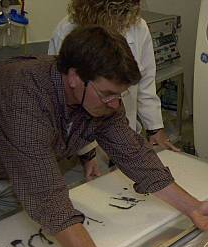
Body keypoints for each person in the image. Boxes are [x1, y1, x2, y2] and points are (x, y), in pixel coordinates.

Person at [0, 26, 208, 247]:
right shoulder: (22, 97)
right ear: (74, 78)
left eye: (120, 95)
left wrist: (193, 208)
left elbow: (135, 155)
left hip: (11, 176)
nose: (115, 104)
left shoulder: (99, 101)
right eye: (107, 94)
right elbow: (48, 198)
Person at [49, 0, 178, 181]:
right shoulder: (66, 30)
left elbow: (146, 82)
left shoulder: (138, 27)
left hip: (125, 132)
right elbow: (62, 100)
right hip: (83, 142)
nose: (120, 20)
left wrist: (155, 128)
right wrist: (87, 153)